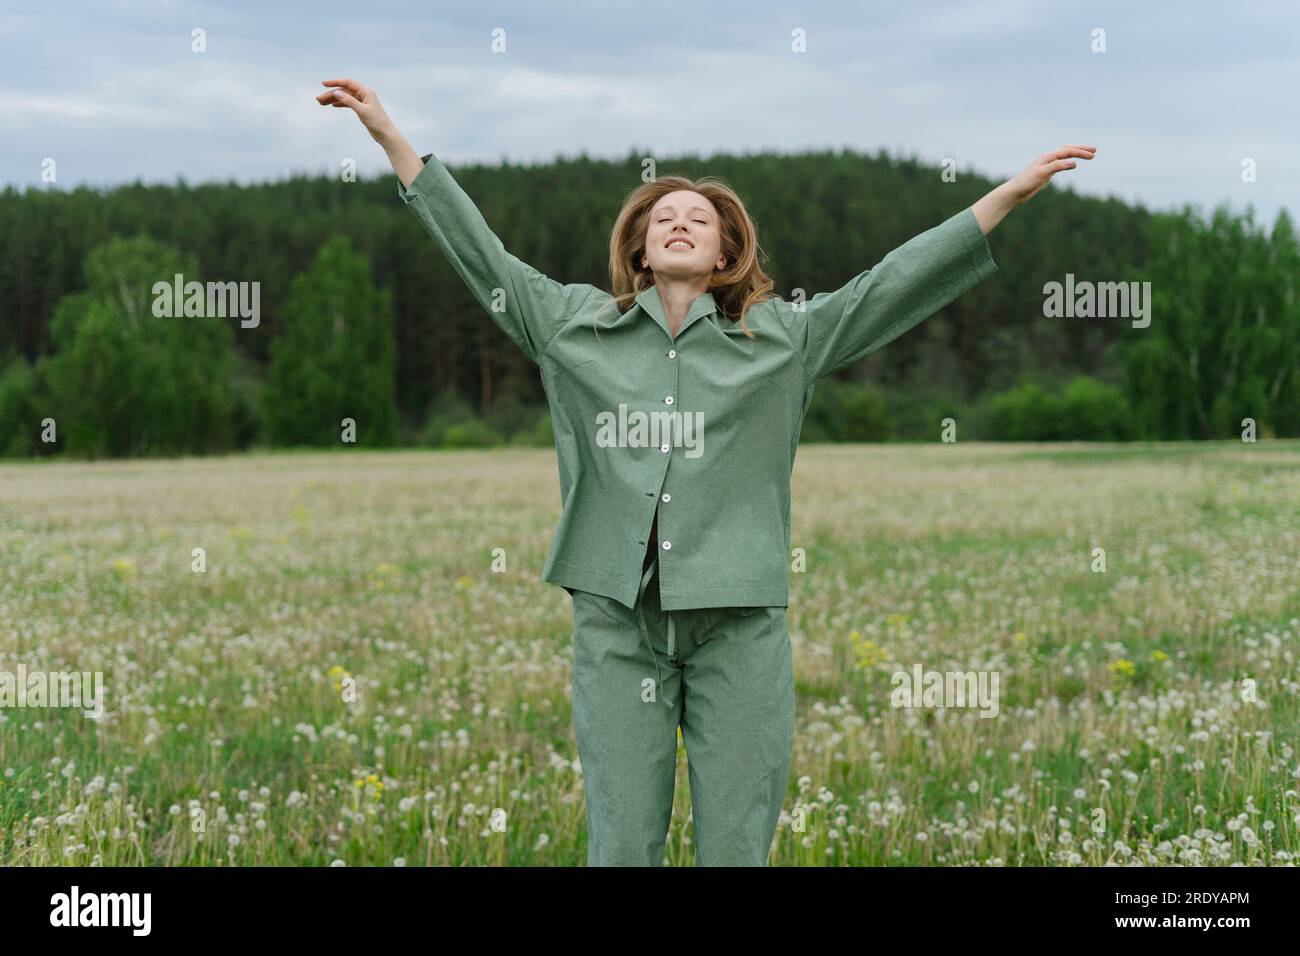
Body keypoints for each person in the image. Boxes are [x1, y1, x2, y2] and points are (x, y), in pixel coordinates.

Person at [318, 77, 1095, 866]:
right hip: (618, 623)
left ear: (726, 252)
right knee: (621, 844)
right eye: (664, 218)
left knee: (735, 846)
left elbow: (887, 287)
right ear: (640, 251)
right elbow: (480, 252)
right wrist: (389, 136)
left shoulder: (784, 340)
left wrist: (1006, 196)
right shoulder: (571, 328)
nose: (680, 225)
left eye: (700, 220)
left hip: (740, 627)